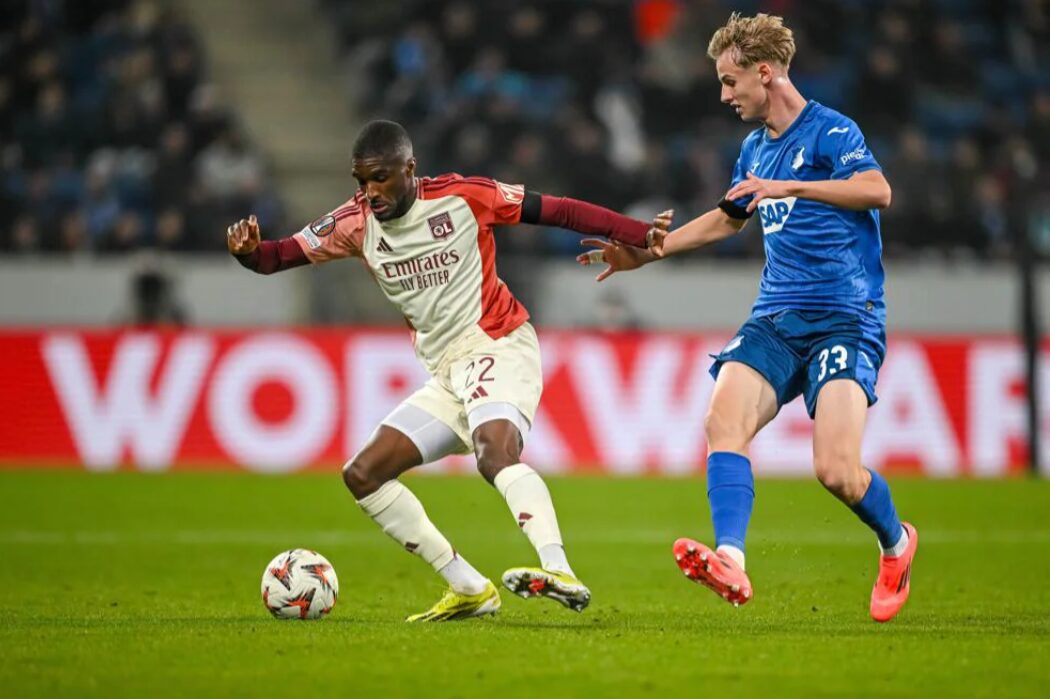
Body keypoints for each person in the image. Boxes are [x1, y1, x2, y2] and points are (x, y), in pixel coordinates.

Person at [227, 119, 659, 622]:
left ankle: (559, 568)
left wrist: (639, 234)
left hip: (499, 345)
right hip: (449, 374)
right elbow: (278, 256)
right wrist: (249, 252)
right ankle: (470, 586)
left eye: (380, 178)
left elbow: (558, 210)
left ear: (410, 169)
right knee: (363, 474)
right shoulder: (353, 223)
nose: (370, 193)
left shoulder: (463, 197)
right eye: (361, 181)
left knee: (494, 454)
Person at [579, 13, 917, 623]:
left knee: (836, 472)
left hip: (846, 318)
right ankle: (731, 557)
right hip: (776, 317)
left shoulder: (831, 132)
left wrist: (792, 187)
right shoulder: (754, 148)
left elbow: (877, 190)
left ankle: (896, 542)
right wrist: (648, 253)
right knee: (722, 421)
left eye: (731, 80)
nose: (723, 94)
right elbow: (729, 216)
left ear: (765, 73)